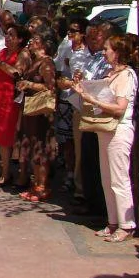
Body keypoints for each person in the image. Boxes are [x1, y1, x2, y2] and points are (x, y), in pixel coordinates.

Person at [73, 34, 139, 242]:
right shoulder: (110, 74)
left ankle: (126, 224)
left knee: (119, 178)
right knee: (107, 179)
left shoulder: (126, 75)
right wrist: (82, 90)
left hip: (119, 130)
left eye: (107, 49)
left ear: (117, 52)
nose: (103, 52)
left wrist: (92, 99)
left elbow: (120, 108)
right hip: (105, 130)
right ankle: (113, 222)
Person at [0, 25, 31, 185]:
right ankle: (5, 171)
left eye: (11, 35)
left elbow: (16, 73)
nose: (7, 37)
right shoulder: (3, 52)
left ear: (20, 39)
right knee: (0, 136)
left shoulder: (23, 53)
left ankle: (19, 173)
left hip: (12, 98)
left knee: (12, 136)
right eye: (7, 34)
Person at [17, 29, 59, 201]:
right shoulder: (35, 60)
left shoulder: (47, 63)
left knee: (41, 146)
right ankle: (36, 184)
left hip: (41, 111)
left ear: (43, 45)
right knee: (33, 145)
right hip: (31, 109)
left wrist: (29, 85)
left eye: (35, 40)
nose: (31, 42)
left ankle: (43, 186)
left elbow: (50, 87)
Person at [54, 17, 90, 193]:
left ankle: (80, 179)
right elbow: (58, 68)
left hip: (80, 101)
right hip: (65, 97)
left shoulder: (88, 52)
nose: (70, 34)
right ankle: (69, 173)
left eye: (74, 31)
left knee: (79, 141)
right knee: (66, 140)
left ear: (82, 33)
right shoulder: (66, 46)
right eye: (69, 30)